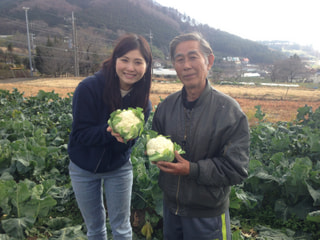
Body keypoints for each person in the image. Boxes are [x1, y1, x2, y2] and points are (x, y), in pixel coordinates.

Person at [152, 32, 250, 240]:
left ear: (209, 61)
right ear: (174, 65)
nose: (186, 65)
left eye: (193, 57)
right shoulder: (166, 107)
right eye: (180, 59)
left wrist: (192, 169)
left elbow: (236, 169)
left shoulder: (229, 111)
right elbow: (154, 142)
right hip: (171, 210)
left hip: (208, 216)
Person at [68, 33, 152, 240]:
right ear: (115, 60)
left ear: (147, 66)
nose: (130, 68)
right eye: (124, 60)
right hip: (83, 167)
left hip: (118, 168)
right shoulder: (89, 88)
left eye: (138, 62)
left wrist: (125, 141)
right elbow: (80, 134)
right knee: (95, 228)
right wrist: (109, 132)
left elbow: (129, 144)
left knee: (122, 228)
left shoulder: (144, 102)